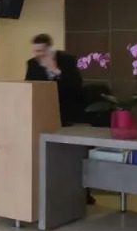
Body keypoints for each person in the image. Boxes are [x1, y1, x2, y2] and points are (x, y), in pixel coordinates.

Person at [25, 33, 95, 205]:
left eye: (41, 51)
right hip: (44, 116)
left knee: (73, 157)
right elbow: (28, 88)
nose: (38, 55)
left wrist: (56, 71)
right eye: (35, 51)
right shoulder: (32, 64)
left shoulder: (67, 60)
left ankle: (82, 194)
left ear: (50, 49)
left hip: (70, 115)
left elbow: (77, 87)